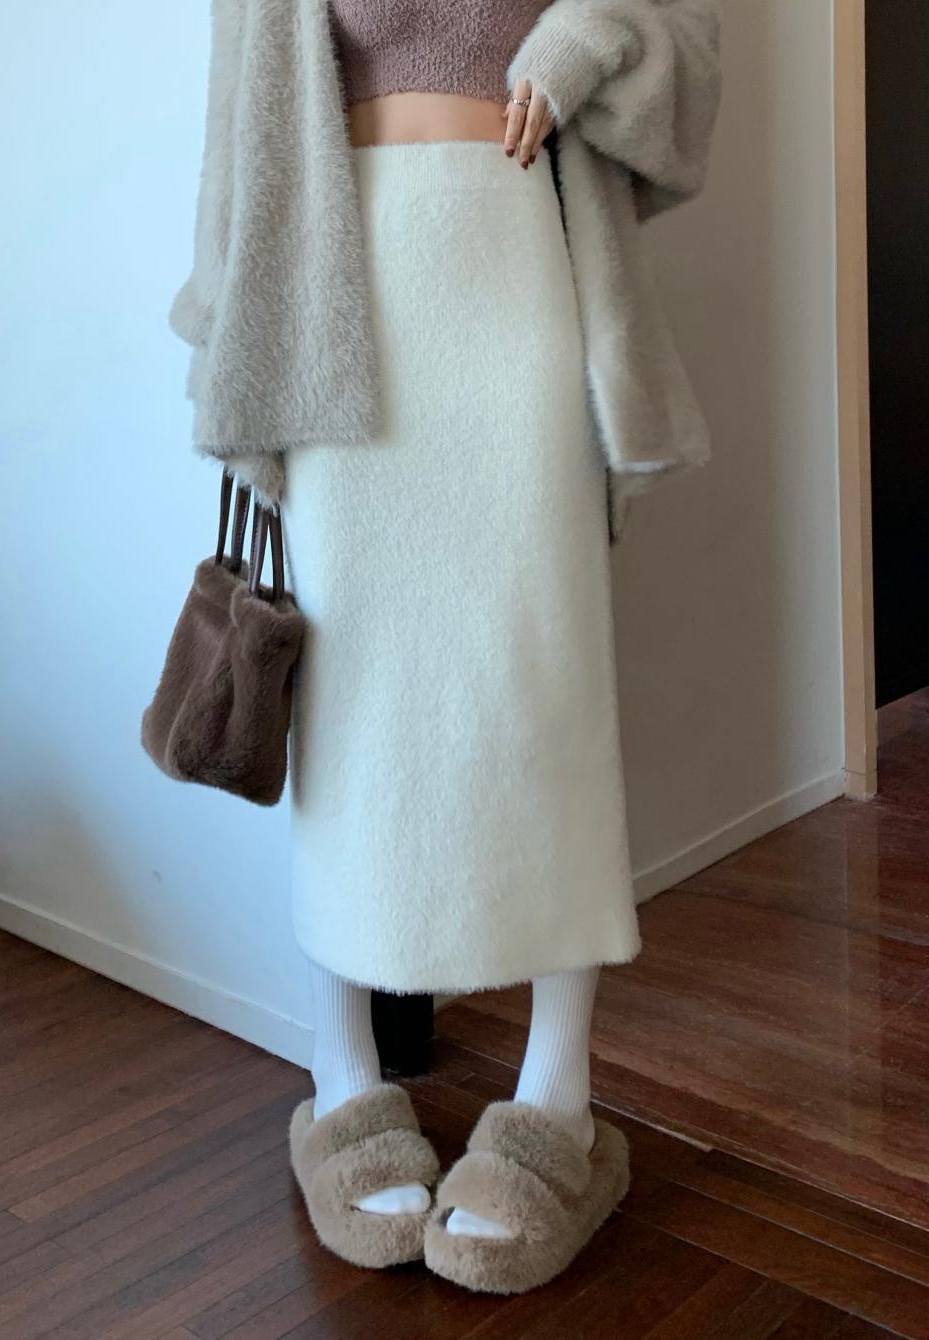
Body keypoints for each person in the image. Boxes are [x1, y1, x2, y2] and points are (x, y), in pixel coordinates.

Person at [171, 0, 723, 1295]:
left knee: (543, 688)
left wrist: (585, 40)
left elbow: (683, 39)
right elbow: (237, 124)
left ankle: (557, 1103)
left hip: (516, 273)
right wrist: (226, 354)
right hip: (335, 301)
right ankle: (342, 1077)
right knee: (350, 711)